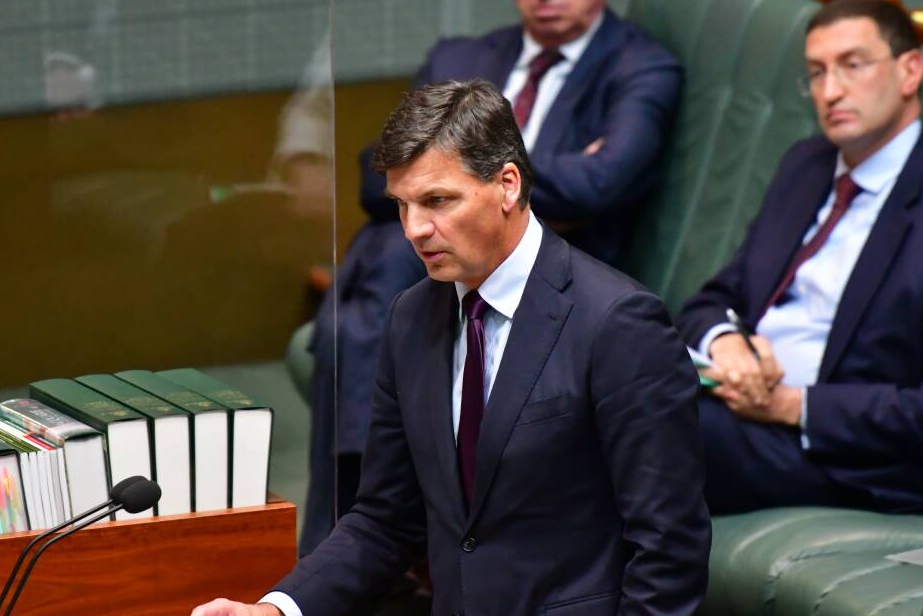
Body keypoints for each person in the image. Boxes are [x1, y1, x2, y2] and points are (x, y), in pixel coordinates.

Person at [192, 80, 709, 616]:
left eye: (438, 200)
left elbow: (669, 551)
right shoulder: (411, 317)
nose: (415, 230)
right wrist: (278, 609)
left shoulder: (618, 323)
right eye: (403, 205)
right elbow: (385, 519)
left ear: (508, 185)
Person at [303, 0, 683, 554]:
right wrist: (453, 191)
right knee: (378, 281)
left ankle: (352, 525)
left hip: (549, 279)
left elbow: (606, 180)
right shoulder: (461, 55)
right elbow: (380, 176)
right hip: (425, 282)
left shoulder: (640, 67)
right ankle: (369, 527)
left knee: (370, 294)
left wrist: (471, 178)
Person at [678, 0, 923, 514]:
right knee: (593, 379)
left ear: (910, 71)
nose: (830, 91)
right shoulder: (806, 167)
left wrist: (793, 407)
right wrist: (727, 348)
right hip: (735, 406)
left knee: (645, 424)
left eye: (853, 66)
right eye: (816, 72)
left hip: (845, 458)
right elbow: (714, 299)